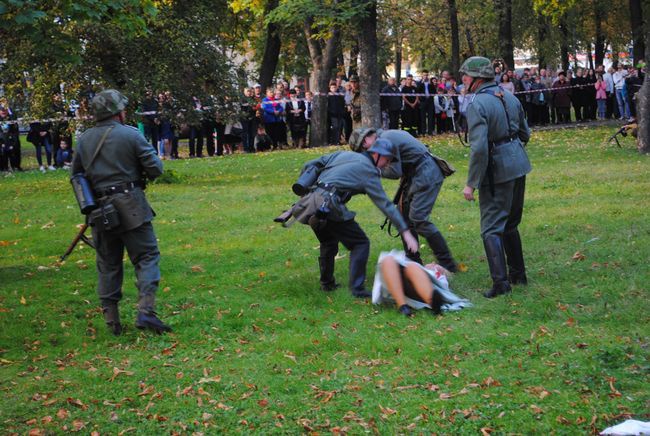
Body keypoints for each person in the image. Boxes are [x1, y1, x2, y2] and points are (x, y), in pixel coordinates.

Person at [70, 89, 171, 335]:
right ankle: (146, 311)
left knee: (108, 263)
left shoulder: (83, 140)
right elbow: (156, 169)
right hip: (132, 205)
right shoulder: (131, 135)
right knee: (147, 256)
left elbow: (76, 176)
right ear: (118, 112)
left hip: (100, 210)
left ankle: (112, 323)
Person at [292, 139, 418, 298]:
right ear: (377, 154)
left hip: (309, 203)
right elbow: (385, 205)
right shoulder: (368, 171)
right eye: (387, 159)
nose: (387, 164)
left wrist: (305, 186)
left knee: (328, 241)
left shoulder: (343, 155)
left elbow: (312, 164)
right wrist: (405, 232)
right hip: (329, 205)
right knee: (360, 243)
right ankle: (357, 290)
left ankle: (327, 284)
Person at [459, 57, 532, 299]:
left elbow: (479, 149)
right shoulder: (509, 96)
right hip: (519, 163)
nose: (463, 80)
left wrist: (471, 183)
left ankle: (501, 283)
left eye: (466, 76)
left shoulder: (477, 104)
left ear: (478, 78)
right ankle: (518, 274)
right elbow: (525, 133)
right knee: (510, 223)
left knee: (491, 228)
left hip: (497, 170)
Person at [349, 127, 458, 272]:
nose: (367, 152)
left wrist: (374, 170)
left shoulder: (386, 139)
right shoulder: (384, 137)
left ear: (366, 140)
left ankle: (447, 263)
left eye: (363, 148)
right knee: (403, 217)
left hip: (425, 173)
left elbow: (395, 172)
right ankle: (413, 260)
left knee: (419, 219)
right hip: (415, 173)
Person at [371, 251, 472, 317]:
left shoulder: (438, 275)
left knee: (412, 267)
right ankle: (403, 307)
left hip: (422, 286)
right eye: (432, 264)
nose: (432, 264)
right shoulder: (417, 268)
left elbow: (449, 277)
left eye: (434, 264)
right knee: (388, 260)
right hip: (398, 282)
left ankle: (432, 302)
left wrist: (440, 269)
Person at [417, 70, 435, 135]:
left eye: (426, 75)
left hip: (430, 102)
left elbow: (434, 92)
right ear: (422, 75)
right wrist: (422, 82)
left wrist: (431, 84)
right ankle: (423, 132)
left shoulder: (431, 83)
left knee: (430, 117)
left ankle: (430, 131)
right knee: (423, 117)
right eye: (424, 75)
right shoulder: (419, 83)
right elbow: (417, 91)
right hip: (423, 102)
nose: (425, 76)